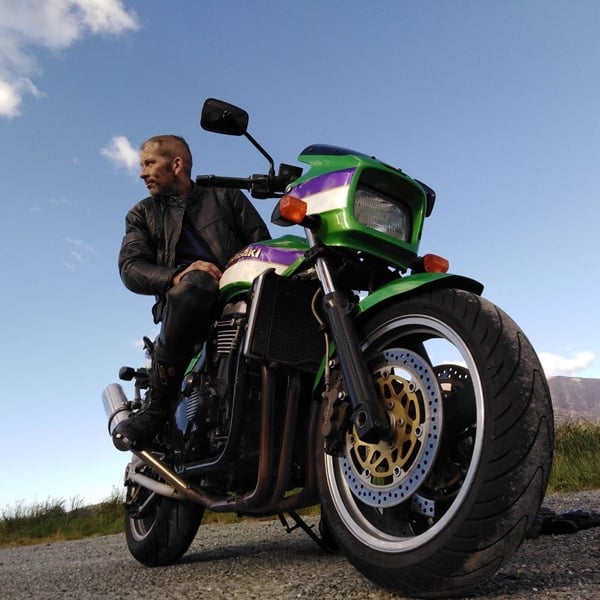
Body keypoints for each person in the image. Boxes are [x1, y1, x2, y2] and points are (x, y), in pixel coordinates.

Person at [114, 134, 270, 448]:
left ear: (176, 164)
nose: (142, 173)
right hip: (186, 301)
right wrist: (176, 276)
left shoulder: (225, 195)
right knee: (196, 284)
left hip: (239, 293)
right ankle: (157, 408)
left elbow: (261, 244)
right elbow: (130, 267)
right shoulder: (142, 214)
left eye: (149, 163)